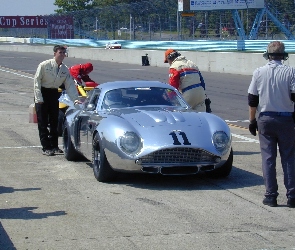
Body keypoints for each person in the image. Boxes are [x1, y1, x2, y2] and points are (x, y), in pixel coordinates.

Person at [248, 41, 295, 208]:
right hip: (286, 118)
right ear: (283, 55)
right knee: (289, 158)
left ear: (268, 55)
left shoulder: (259, 72)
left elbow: (252, 99)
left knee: (268, 158)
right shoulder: (291, 72)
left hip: (265, 118)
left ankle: (270, 196)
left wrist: (252, 120)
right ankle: (292, 195)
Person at [34, 45, 80, 156]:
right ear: (55, 53)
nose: (63, 54)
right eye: (60, 52)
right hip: (42, 93)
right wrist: (38, 98)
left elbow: (70, 86)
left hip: (54, 93)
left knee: (54, 121)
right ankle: (46, 147)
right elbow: (37, 82)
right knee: (43, 122)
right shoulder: (44, 65)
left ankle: (54, 146)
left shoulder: (64, 69)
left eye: (64, 52)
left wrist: (75, 100)